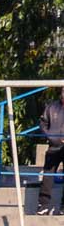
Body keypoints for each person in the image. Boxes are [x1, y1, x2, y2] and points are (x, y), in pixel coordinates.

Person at [36, 87, 64, 215]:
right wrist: (51, 137)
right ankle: (43, 205)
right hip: (53, 147)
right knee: (48, 174)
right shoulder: (51, 107)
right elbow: (43, 124)